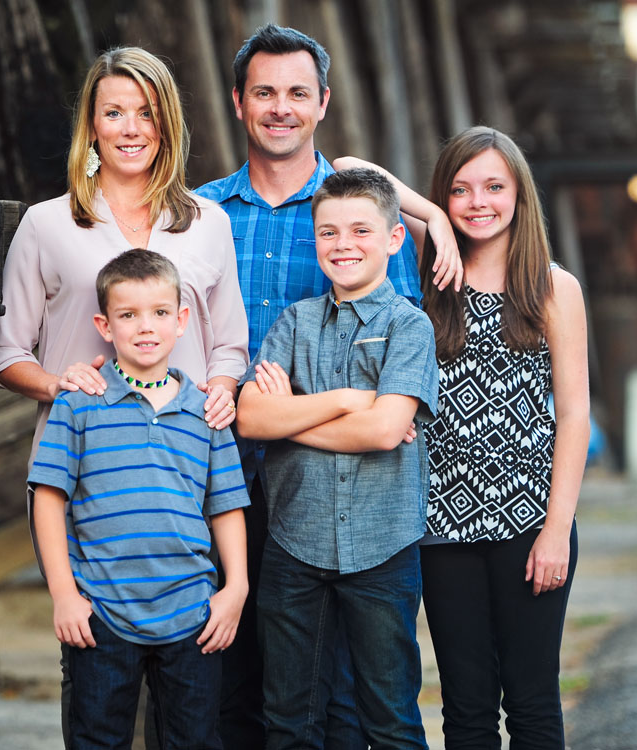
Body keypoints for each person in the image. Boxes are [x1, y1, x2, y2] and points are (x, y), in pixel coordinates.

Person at [195, 23, 461, 747]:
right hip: (216, 472)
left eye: (297, 93)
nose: (280, 107)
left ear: (322, 103)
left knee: (345, 694)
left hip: (335, 496)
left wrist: (430, 212)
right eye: (264, 93)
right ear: (238, 102)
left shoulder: (357, 207)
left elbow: (388, 399)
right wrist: (336, 405)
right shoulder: (199, 215)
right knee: (228, 686)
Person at [0, 46, 250, 745]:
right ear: (91, 125)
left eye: (146, 113)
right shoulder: (48, 224)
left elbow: (229, 343)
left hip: (183, 467)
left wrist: (222, 389)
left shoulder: (208, 222)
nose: (131, 128)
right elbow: (6, 352)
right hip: (89, 474)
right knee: (97, 687)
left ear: (167, 125)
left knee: (187, 695)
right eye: (113, 113)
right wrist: (58, 382)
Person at [236, 168, 437, 750]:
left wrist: (293, 418)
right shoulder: (294, 322)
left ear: (394, 239)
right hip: (294, 542)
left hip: (383, 544)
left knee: (391, 721)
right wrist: (349, 401)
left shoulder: (409, 326)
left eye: (360, 230)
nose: (343, 244)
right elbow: (251, 420)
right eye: (328, 232)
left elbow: (384, 430)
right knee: (289, 722)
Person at [28, 250, 250, 749]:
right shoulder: (78, 404)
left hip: (192, 613)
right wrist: (64, 595)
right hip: (103, 612)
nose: (145, 326)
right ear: (104, 326)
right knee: (98, 740)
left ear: (181, 320)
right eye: (128, 315)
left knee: (194, 740)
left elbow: (226, 506)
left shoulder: (206, 412)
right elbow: (48, 498)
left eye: (160, 312)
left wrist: (234, 588)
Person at [411, 127, 590, 748]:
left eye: (494, 186)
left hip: (530, 521)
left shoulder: (552, 286)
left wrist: (556, 531)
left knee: (533, 701)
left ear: (519, 194)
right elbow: (352, 168)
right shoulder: (431, 268)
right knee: (465, 708)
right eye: (460, 190)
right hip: (441, 525)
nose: (478, 202)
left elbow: (574, 414)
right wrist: (433, 219)